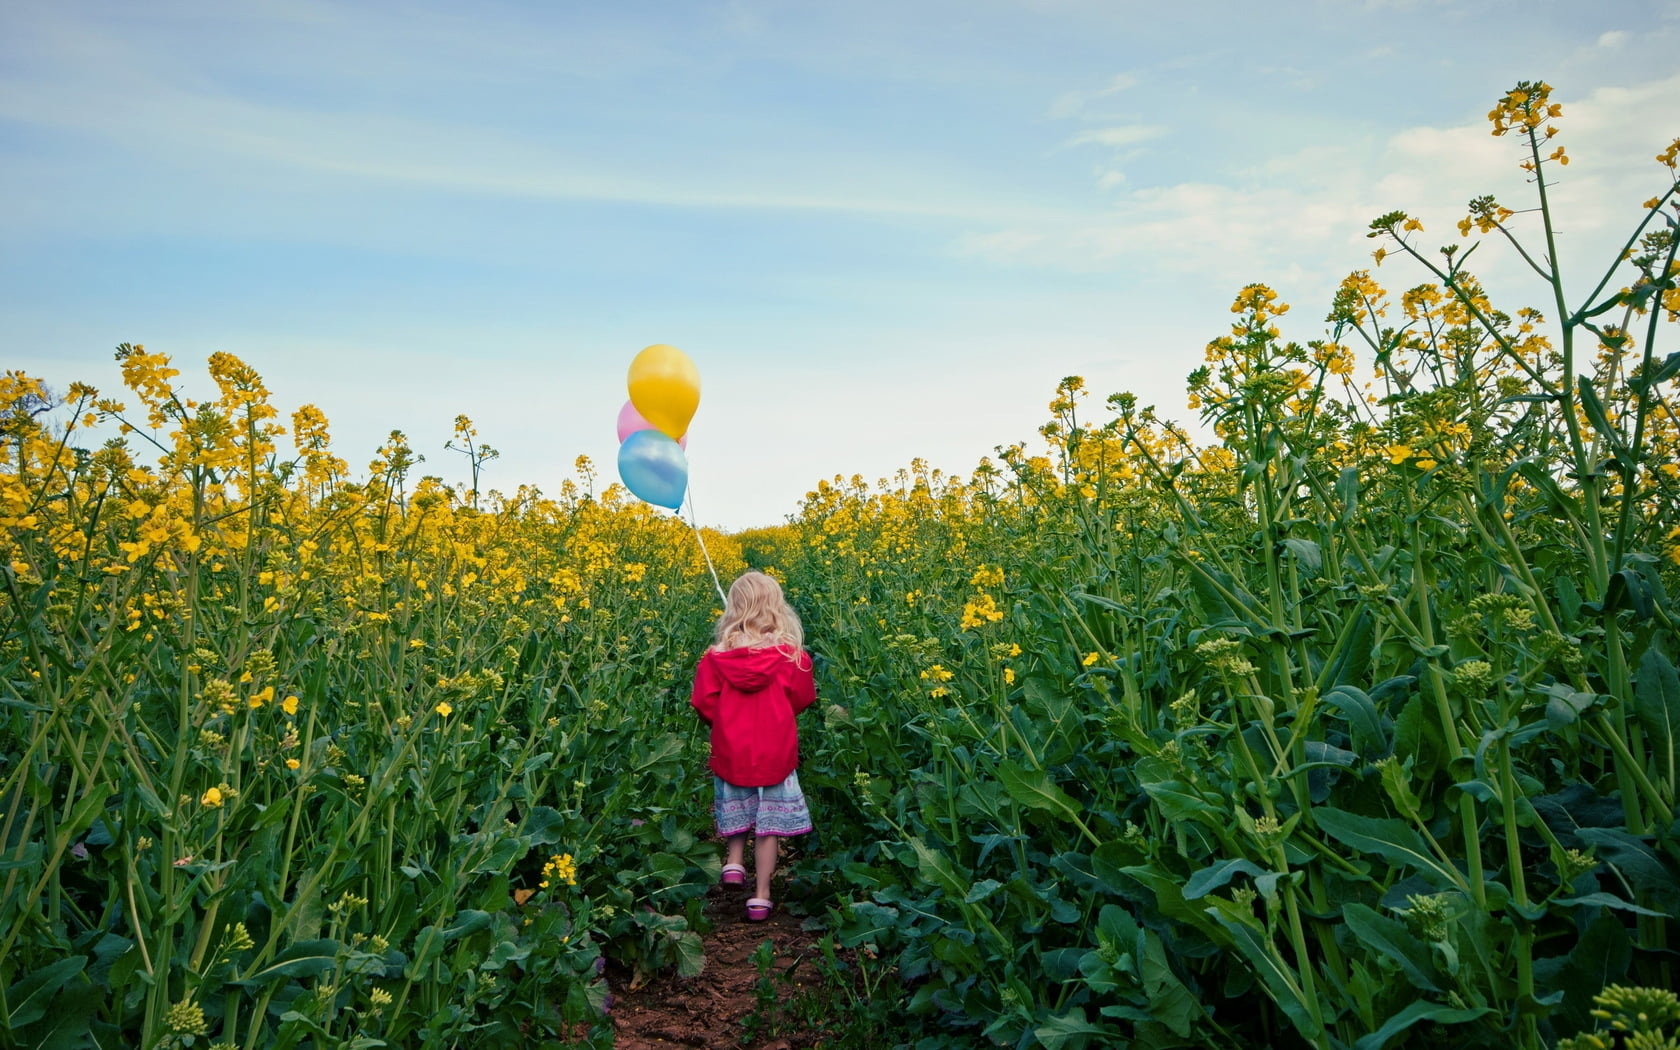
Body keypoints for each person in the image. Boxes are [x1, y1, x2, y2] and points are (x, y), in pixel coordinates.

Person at [690, 571, 816, 921]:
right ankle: (761, 896)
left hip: (732, 749)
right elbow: (803, 698)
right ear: (776, 607)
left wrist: (726, 721)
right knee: (768, 826)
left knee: (737, 807)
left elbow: (702, 701)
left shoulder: (715, 657)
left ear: (735, 608)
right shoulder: (792, 656)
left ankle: (733, 863)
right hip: (775, 752)